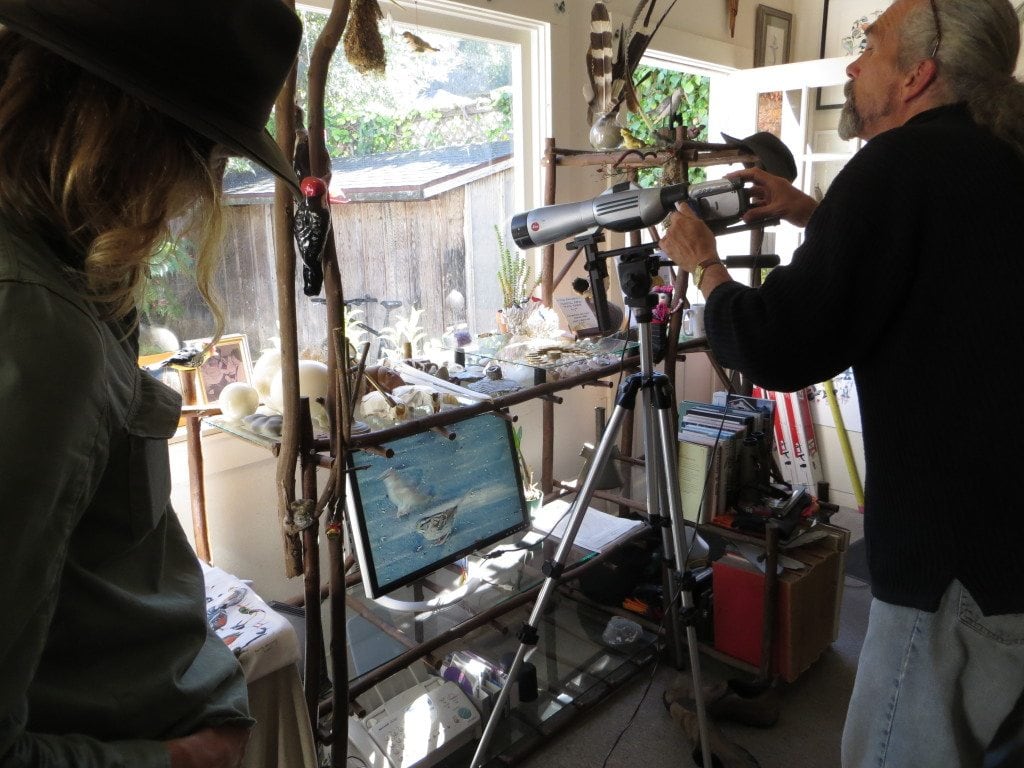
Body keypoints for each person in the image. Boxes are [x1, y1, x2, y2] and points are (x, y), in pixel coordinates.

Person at [658, 0, 1024, 765]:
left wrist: (704, 267)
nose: (854, 66)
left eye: (872, 46)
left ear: (918, 73)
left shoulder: (894, 165)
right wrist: (815, 214)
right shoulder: (998, 153)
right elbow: (937, 274)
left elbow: (776, 346)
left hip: (952, 565)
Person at [0, 1, 302, 766]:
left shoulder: (72, 267)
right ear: (132, 137)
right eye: (202, 150)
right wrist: (173, 761)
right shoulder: (36, 322)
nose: (197, 189)